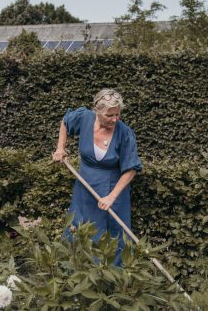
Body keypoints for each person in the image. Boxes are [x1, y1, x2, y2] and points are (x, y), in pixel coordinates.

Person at [52, 88, 142, 266]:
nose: (115, 119)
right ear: (97, 110)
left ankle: (111, 282)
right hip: (84, 187)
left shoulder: (124, 133)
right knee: (79, 226)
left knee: (112, 236)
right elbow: (65, 122)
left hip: (112, 192)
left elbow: (131, 169)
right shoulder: (84, 118)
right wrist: (60, 148)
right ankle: (76, 273)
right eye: (110, 115)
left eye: (117, 114)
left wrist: (111, 197)